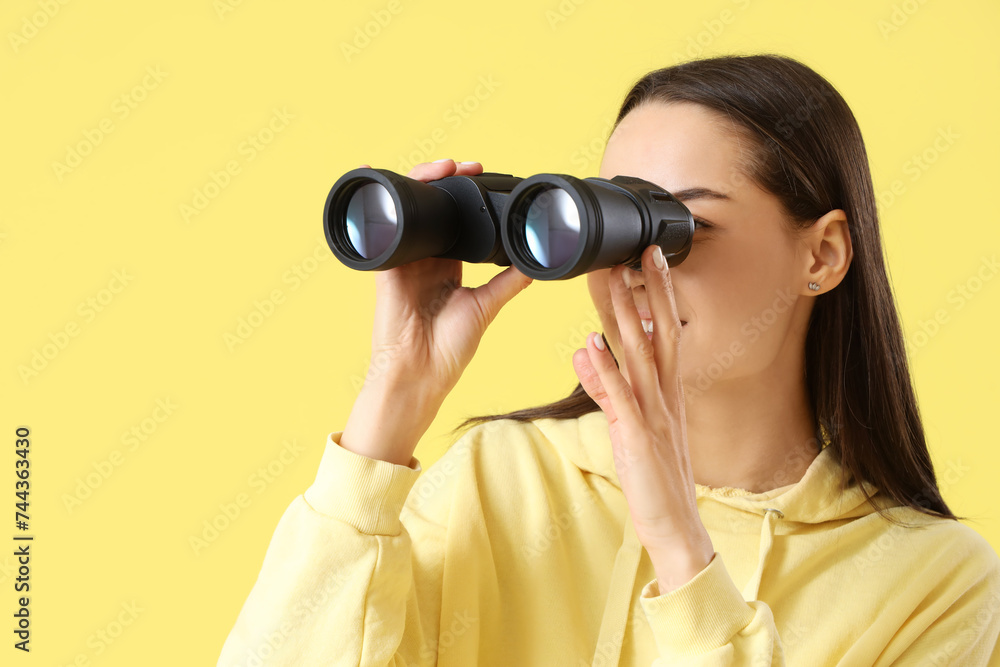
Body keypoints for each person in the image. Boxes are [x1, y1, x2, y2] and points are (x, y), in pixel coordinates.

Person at [217, 54, 1000, 665]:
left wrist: (681, 544)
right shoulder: (502, 479)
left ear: (821, 254)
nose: (634, 268)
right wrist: (390, 403)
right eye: (612, 224)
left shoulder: (933, 581)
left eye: (678, 228)